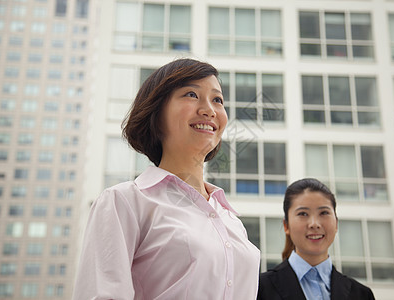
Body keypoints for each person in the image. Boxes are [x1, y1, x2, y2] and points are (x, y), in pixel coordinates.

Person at [73, 58, 260, 300]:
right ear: (156, 113)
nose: (209, 110)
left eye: (217, 100)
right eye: (192, 94)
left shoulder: (231, 220)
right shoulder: (125, 202)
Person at [257, 178, 375, 300]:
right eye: (303, 214)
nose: (314, 224)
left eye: (324, 213)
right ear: (286, 225)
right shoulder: (259, 289)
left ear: (336, 223)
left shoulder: (362, 295)